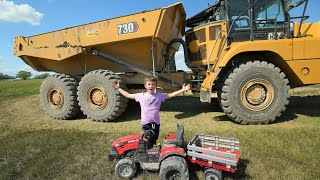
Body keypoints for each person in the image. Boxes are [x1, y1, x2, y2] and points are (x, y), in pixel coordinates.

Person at [112, 76, 190, 146]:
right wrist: (118, 88)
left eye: (153, 84)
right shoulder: (141, 96)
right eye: (149, 84)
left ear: (155, 86)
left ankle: (153, 151)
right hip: (146, 124)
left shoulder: (159, 96)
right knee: (145, 141)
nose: (151, 86)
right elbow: (128, 95)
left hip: (156, 123)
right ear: (145, 85)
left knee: (154, 140)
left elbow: (170, 95)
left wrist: (182, 90)